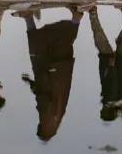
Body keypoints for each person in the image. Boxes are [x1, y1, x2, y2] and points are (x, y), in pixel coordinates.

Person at [16, 7, 82, 142]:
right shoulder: (47, 118)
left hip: (61, 70)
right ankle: (28, 17)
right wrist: (33, 86)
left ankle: (76, 19)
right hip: (49, 73)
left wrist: (30, 82)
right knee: (36, 47)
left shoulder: (59, 115)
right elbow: (43, 99)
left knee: (62, 42)